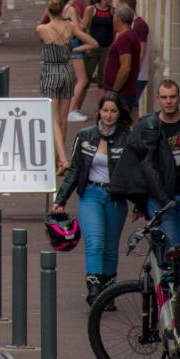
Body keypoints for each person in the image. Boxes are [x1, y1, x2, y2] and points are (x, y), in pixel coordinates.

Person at [53, 93, 131, 304]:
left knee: (111, 246)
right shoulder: (85, 136)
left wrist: (140, 204)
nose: (108, 115)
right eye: (105, 110)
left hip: (115, 198)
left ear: (119, 113)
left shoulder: (127, 138)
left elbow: (135, 173)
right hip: (91, 194)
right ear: (99, 111)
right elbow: (74, 169)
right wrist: (61, 200)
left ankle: (109, 291)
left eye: (113, 111)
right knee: (95, 242)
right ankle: (95, 290)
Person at [110, 79, 180, 248]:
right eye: (164, 97)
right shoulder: (147, 125)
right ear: (157, 99)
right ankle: (167, 275)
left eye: (172, 97)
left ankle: (179, 275)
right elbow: (135, 163)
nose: (168, 101)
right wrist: (139, 201)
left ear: (179, 97)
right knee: (168, 249)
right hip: (159, 196)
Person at [36, 0, 97, 173]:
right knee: (63, 121)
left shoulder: (43, 29)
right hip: (67, 71)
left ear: (48, 10)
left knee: (52, 118)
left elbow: (41, 28)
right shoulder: (70, 27)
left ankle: (62, 160)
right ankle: (58, 161)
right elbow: (93, 43)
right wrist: (74, 50)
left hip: (50, 71)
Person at [102, 3, 141, 117]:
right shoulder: (131, 36)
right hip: (126, 92)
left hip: (122, 93)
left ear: (117, 19)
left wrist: (114, 91)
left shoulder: (124, 38)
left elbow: (125, 67)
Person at [82, 0, 115, 106]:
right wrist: (86, 45)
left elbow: (114, 31)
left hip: (106, 48)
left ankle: (101, 108)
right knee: (85, 79)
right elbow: (84, 28)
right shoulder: (91, 10)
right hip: (92, 47)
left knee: (103, 80)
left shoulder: (112, 11)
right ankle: (75, 107)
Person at [118, 0, 150, 107]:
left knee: (128, 107)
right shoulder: (133, 24)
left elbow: (140, 52)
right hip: (135, 75)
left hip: (137, 76)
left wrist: (132, 72)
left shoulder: (139, 25)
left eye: (119, 6)